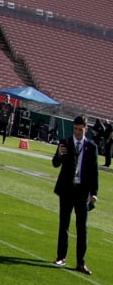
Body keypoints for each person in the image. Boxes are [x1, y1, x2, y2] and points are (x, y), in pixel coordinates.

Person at [54, 114, 99, 273]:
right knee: (64, 224)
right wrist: (59, 154)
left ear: (86, 129)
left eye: (80, 130)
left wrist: (94, 193)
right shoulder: (65, 142)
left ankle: (81, 262)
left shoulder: (91, 147)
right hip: (67, 189)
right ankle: (61, 257)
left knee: (82, 228)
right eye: (75, 129)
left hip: (82, 191)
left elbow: (94, 173)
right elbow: (55, 163)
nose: (77, 132)